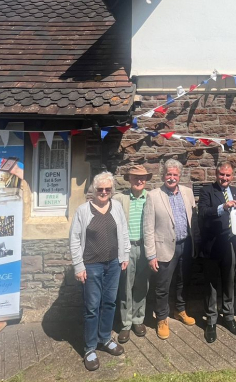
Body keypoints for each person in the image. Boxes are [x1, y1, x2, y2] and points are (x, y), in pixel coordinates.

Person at [69, 171, 131, 371]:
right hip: (92, 266)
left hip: (113, 264)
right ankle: (89, 348)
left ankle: (104, 338)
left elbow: (123, 231)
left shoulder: (117, 207)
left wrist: (125, 256)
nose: (104, 192)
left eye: (108, 189)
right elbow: (74, 240)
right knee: (92, 307)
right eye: (100, 189)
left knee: (110, 302)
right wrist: (79, 266)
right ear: (93, 190)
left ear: (112, 190)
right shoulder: (83, 210)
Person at [144, 159, 199, 340]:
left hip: (186, 244)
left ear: (179, 176)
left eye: (175, 174)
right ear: (163, 175)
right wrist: (151, 254)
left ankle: (180, 310)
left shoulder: (188, 193)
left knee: (183, 282)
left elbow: (194, 218)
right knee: (162, 286)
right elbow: (148, 227)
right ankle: (161, 318)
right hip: (164, 247)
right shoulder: (153, 196)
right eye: (169, 174)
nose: (172, 178)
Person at [198, 161, 236, 343]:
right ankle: (211, 320)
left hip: (231, 244)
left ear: (232, 176)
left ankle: (228, 316)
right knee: (211, 284)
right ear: (216, 173)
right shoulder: (207, 191)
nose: (224, 178)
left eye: (228, 175)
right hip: (211, 245)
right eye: (222, 174)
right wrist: (223, 207)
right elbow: (203, 212)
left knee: (229, 281)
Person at [114, 165, 152, 344]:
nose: (139, 181)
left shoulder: (150, 198)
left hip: (145, 248)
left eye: (142, 178)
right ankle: (126, 323)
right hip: (127, 248)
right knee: (126, 286)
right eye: (136, 177)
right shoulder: (120, 199)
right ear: (129, 179)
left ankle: (138, 319)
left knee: (141, 285)